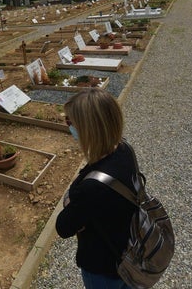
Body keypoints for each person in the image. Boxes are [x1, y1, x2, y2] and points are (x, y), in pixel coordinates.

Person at [56, 88, 136, 289]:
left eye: (70, 121)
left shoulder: (92, 187)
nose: (68, 126)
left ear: (87, 129)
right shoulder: (125, 150)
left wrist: (70, 200)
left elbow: (63, 227)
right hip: (129, 251)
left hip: (103, 267)